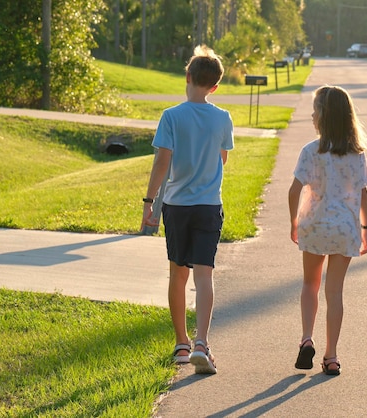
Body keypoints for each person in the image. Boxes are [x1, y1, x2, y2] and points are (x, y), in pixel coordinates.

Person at [141, 45, 234, 375]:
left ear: (188, 77)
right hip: (209, 205)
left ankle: (181, 344)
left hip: (177, 206)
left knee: (177, 274)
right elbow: (223, 158)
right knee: (204, 274)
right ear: (215, 86)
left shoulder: (171, 116)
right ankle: (201, 344)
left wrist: (149, 202)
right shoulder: (223, 118)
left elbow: (162, 162)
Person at [288, 85, 367, 376]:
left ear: (324, 116)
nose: (311, 115)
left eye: (315, 110)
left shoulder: (311, 151)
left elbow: (294, 190)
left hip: (315, 225)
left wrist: (293, 221)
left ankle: (306, 338)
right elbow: (362, 193)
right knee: (334, 292)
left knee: (310, 284)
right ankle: (331, 356)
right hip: (345, 228)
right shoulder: (355, 153)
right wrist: (365, 229)